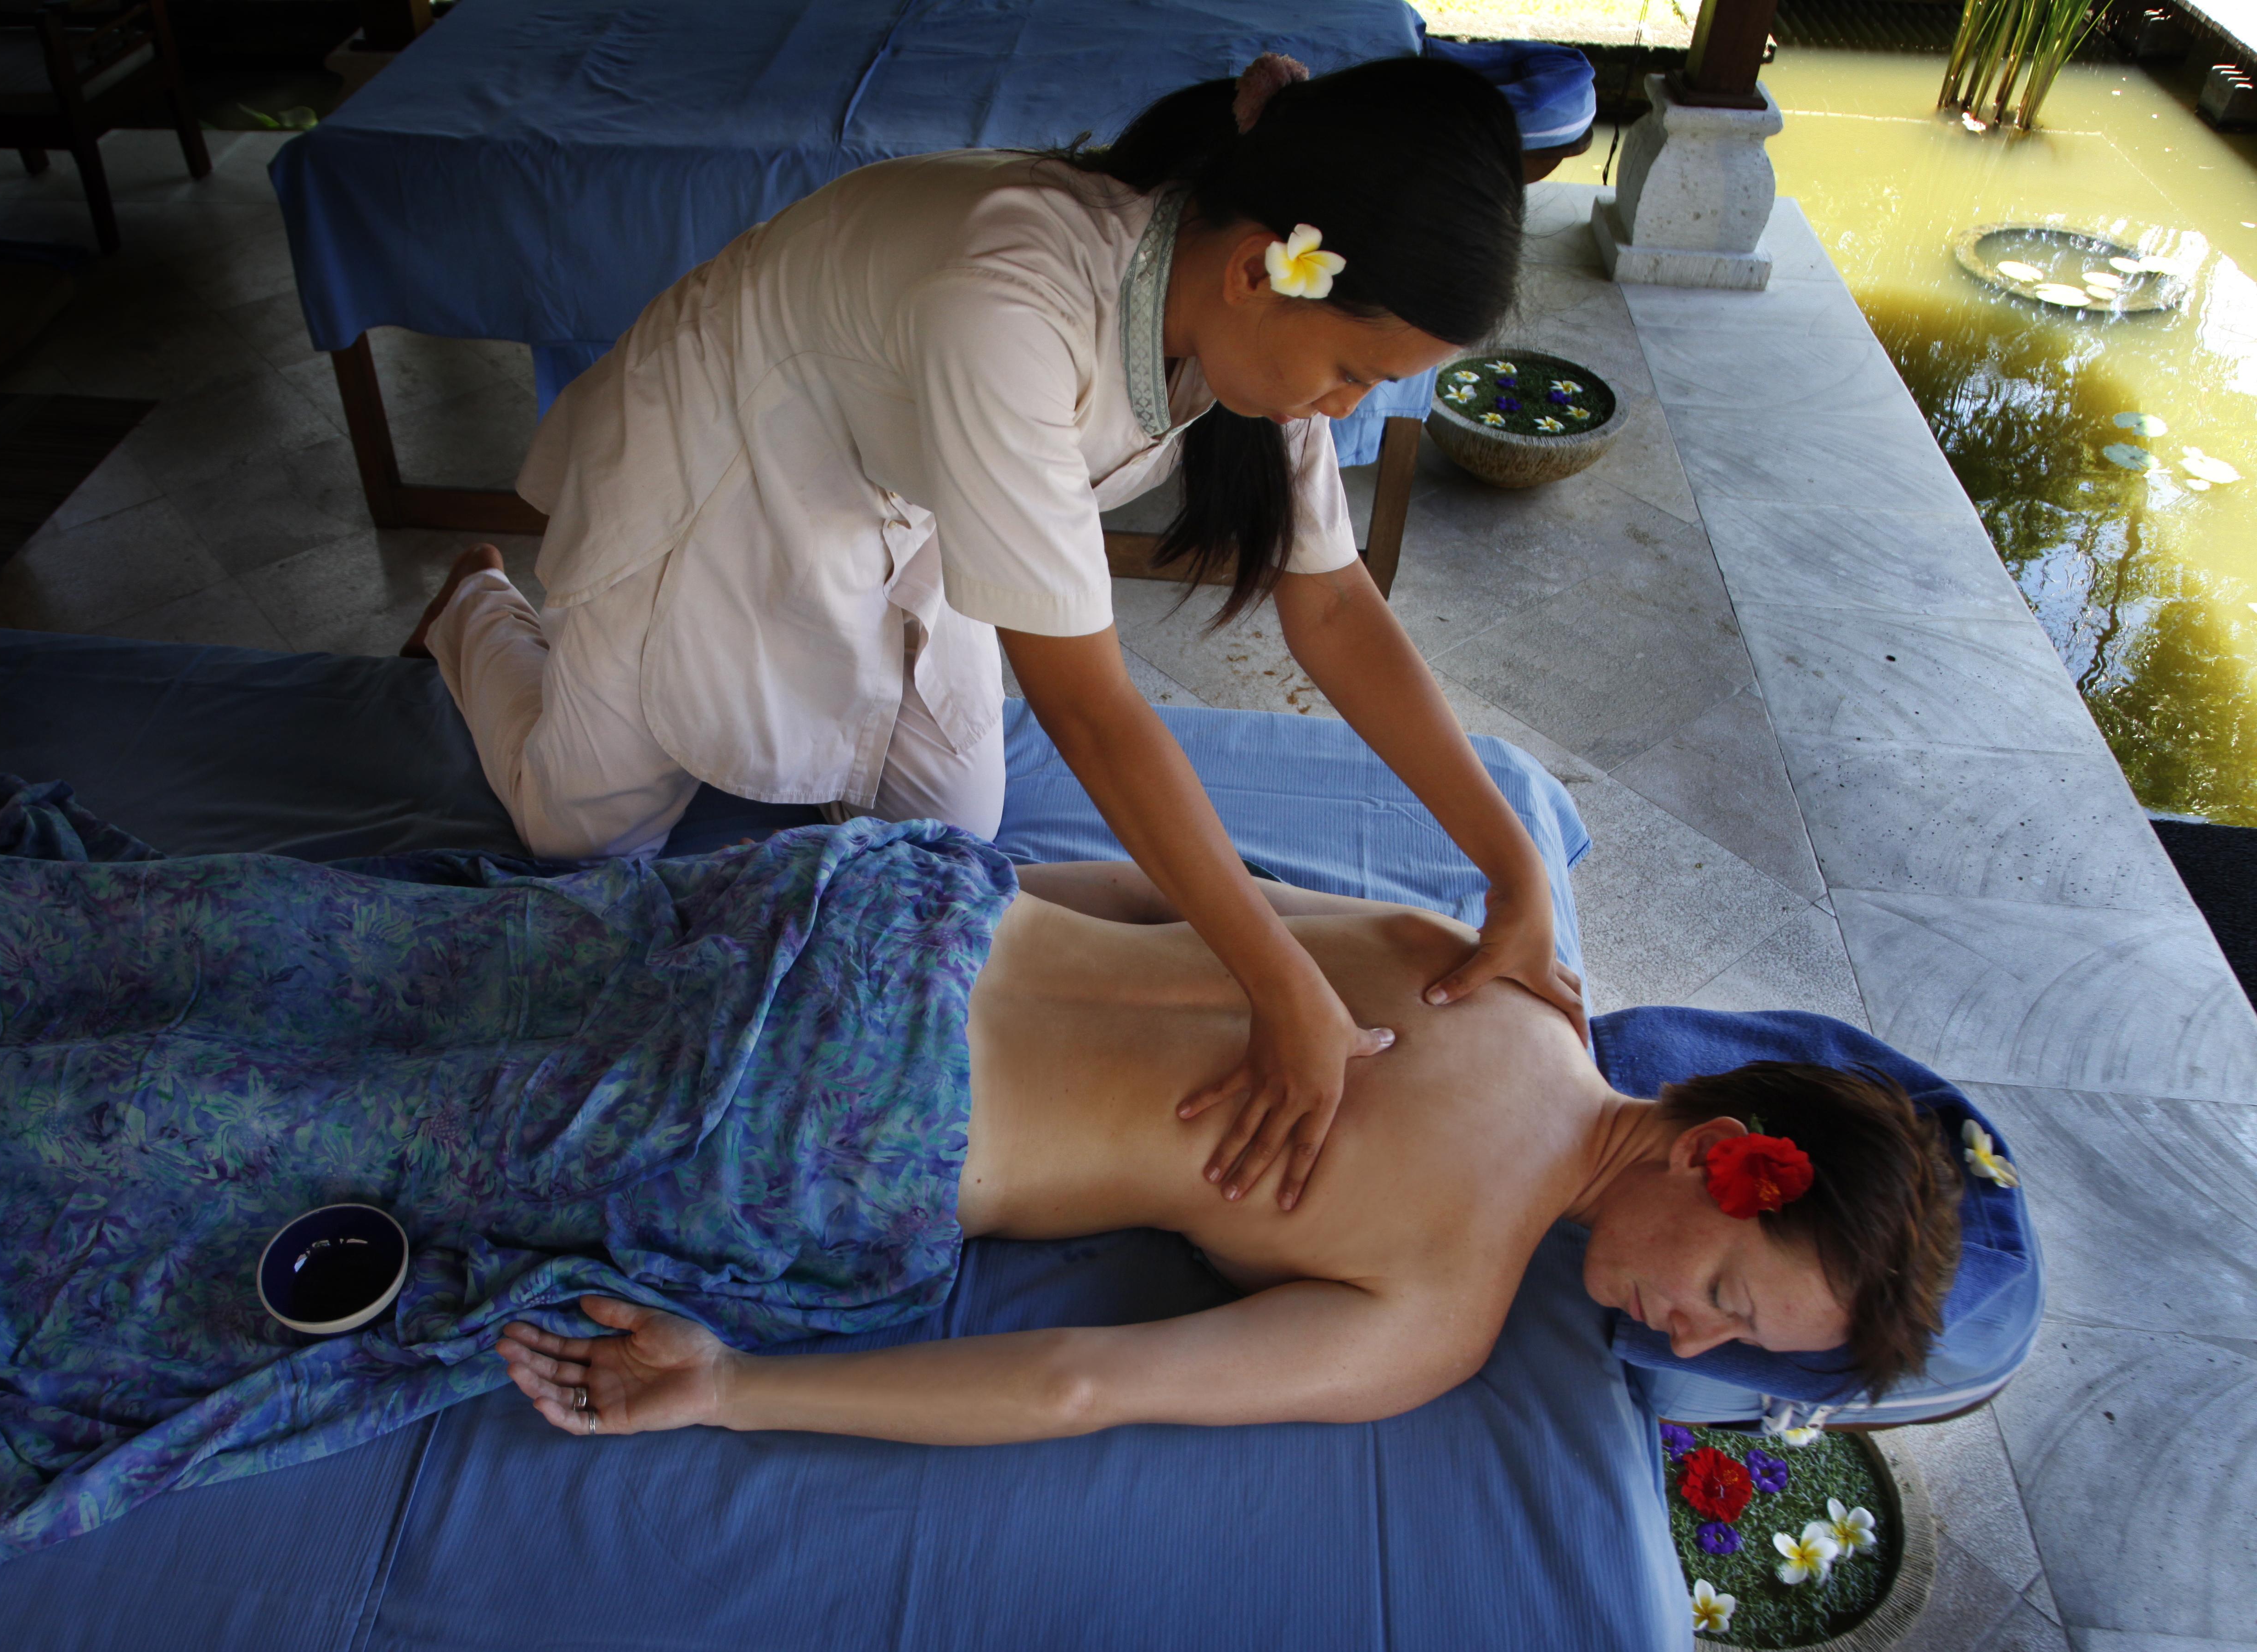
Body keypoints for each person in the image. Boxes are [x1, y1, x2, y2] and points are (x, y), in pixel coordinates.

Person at [405, 54, 1585, 1209]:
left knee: (948, 847)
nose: (1350, 407)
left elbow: (1329, 604)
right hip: (731, 441)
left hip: (909, 481)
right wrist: (1280, 983)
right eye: (1354, 371)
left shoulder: (1257, 322)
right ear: (1257, 275)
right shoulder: (1013, 303)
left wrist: (1511, 867)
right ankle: (475, 607)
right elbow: (1087, 706)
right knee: (579, 834)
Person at [495, 856, 1965, 1446]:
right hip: (836, 1122)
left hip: (879, 902)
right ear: (1722, 1162)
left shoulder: (1481, 969)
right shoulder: (1440, 1317)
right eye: (1730, 1298)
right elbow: (1082, 1380)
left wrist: (938, 868)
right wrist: (738, 1390)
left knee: (437, 951)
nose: (1689, 1348)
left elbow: (1154, 891)